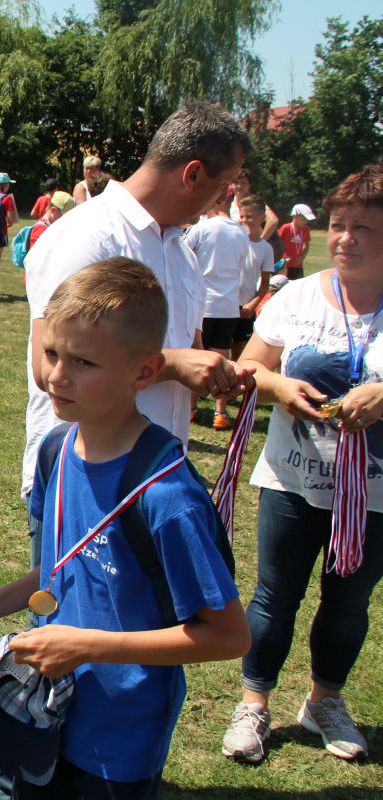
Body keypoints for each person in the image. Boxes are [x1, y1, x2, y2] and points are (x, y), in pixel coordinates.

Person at [0, 258, 248, 798]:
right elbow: (62, 567)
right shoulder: (56, 450)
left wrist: (87, 646)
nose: (56, 376)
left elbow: (228, 635)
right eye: (52, 353)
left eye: (83, 362)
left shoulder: (169, 498)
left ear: (144, 372)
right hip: (42, 708)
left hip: (118, 737)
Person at [221, 165, 383, 766]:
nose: (345, 238)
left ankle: (324, 702)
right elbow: (248, 371)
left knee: (348, 604)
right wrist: (279, 388)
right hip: (293, 481)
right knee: (274, 596)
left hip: (373, 494)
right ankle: (253, 704)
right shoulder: (296, 296)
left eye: (363, 227)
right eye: (338, 225)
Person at [22, 100, 255, 502]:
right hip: (84, 484)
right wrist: (177, 364)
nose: (224, 198)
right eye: (225, 185)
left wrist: (217, 372)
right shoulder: (88, 237)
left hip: (153, 481)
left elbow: (192, 353)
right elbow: (49, 370)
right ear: (193, 174)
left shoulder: (182, 252)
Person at [187, 191, 251, 431]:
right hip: (228, 306)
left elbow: (182, 253)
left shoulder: (202, 227)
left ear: (216, 200)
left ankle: (191, 409)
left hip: (204, 304)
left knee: (197, 358)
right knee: (222, 360)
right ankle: (220, 412)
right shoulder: (241, 233)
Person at [231, 195, 275, 363]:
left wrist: (253, 304)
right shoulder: (233, 241)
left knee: (240, 351)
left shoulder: (265, 249)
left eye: (249, 216)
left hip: (246, 308)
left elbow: (265, 283)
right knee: (220, 348)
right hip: (227, 304)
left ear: (262, 218)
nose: (244, 220)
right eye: (242, 216)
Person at [279, 203, 315, 280]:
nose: (306, 221)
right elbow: (277, 244)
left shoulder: (306, 229)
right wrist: (281, 259)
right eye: (304, 219)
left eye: (307, 220)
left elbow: (307, 245)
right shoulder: (285, 228)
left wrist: (302, 257)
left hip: (298, 266)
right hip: (284, 265)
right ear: (295, 216)